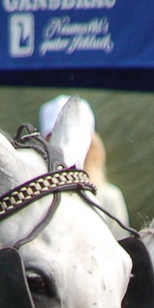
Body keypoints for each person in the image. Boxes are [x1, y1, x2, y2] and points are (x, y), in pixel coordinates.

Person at [39, 95, 129, 226]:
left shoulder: (109, 197)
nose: (67, 145)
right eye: (54, 137)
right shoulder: (38, 201)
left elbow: (122, 242)